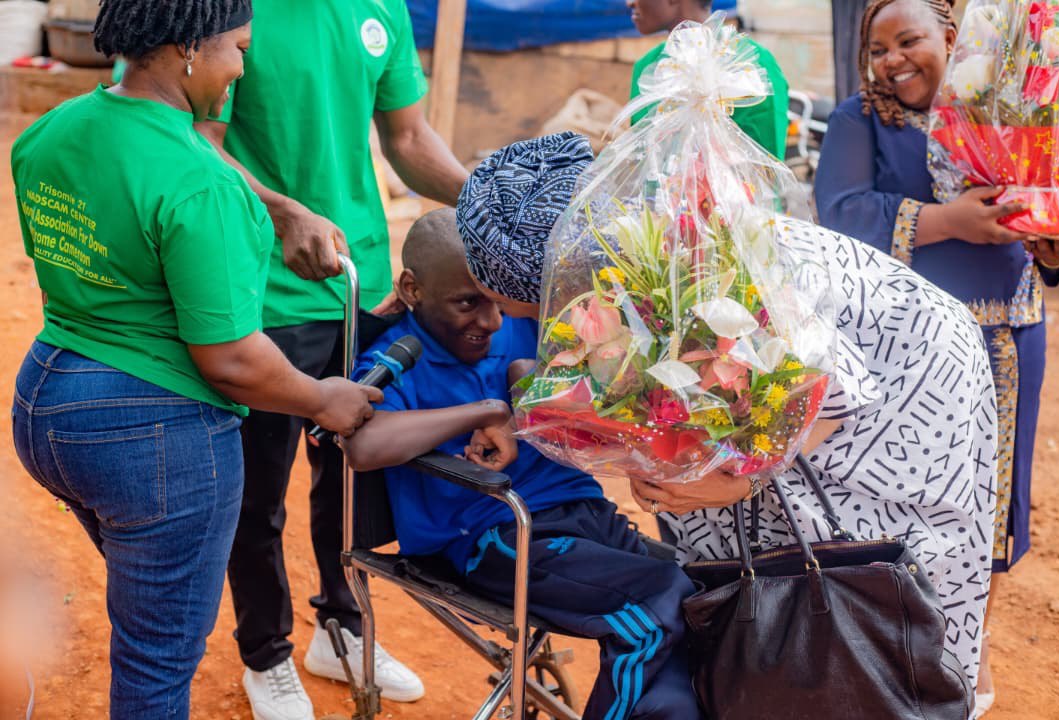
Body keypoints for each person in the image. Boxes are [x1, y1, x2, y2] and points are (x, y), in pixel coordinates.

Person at [455, 134, 997, 692]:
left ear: (550, 279)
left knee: (869, 598)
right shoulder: (623, 267)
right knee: (760, 604)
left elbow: (830, 393)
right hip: (818, 401)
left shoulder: (694, 269)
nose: (500, 314)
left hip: (908, 378)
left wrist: (739, 482)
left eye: (497, 296)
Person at [9, 1, 382, 716]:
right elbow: (231, 360)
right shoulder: (198, 182)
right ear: (186, 47)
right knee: (157, 662)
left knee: (147, 597)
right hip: (151, 435)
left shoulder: (51, 132)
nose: (242, 66)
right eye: (238, 49)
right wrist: (321, 398)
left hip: (47, 404)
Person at [178, 1, 470, 716]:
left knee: (350, 476)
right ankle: (267, 652)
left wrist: (493, 201)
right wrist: (281, 212)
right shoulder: (233, 13)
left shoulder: (381, 9)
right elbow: (194, 142)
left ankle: (339, 626)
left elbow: (405, 136)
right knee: (259, 493)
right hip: (265, 285)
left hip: (360, 282)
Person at [812, 0, 1059, 710]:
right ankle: (893, 650)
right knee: (906, 499)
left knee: (990, 506)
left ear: (953, 39)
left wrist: (1057, 246)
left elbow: (1045, 230)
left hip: (1007, 340)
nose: (891, 60)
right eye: (878, 50)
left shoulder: (1015, 112)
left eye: (909, 41)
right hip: (907, 350)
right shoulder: (858, 120)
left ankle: (969, 652)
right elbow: (840, 215)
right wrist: (947, 221)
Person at [343, 208, 703, 720]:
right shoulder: (400, 358)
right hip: (499, 535)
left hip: (583, 513)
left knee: (701, 594)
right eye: (468, 303)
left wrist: (525, 379)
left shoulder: (515, 323)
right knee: (652, 606)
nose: (490, 322)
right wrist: (488, 410)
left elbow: (580, 372)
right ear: (412, 288)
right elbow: (364, 445)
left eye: (494, 300)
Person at [626, 1, 790, 159]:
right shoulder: (648, 67)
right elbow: (640, 157)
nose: (629, 3)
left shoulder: (751, 64)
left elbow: (766, 164)